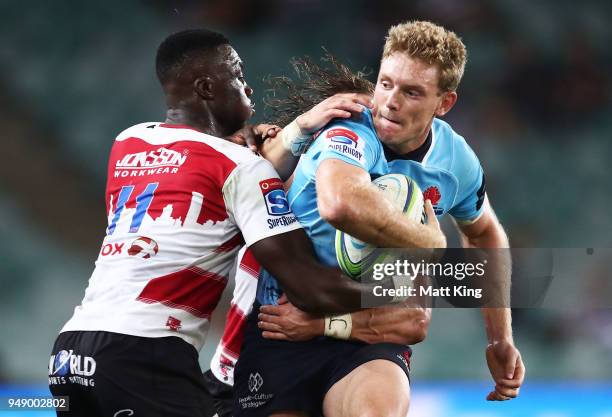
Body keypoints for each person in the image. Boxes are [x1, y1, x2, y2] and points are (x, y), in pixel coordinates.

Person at [47, 29, 434, 417]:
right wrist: (400, 283)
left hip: (71, 353)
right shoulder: (244, 170)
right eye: (237, 73)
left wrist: (292, 133)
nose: (247, 85)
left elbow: (199, 166)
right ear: (206, 87)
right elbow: (311, 290)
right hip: (146, 353)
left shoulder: (129, 142)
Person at [234, 20, 525, 417]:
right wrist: (430, 242)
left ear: (444, 103)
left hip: (373, 330)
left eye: (412, 92)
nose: (389, 101)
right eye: (386, 83)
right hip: (282, 322)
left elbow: (484, 231)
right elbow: (339, 204)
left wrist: (499, 338)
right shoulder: (349, 124)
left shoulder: (457, 161)